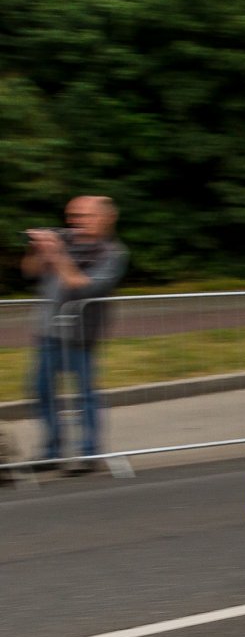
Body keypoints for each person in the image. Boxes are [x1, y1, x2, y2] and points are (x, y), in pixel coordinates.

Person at [23, 196, 129, 473]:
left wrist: (57, 254)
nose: (74, 222)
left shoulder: (112, 253)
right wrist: (37, 250)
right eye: (72, 216)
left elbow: (80, 285)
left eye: (83, 216)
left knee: (84, 395)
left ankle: (88, 453)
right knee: (41, 390)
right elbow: (29, 271)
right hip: (48, 330)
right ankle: (51, 451)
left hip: (82, 334)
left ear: (105, 218)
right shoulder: (65, 242)